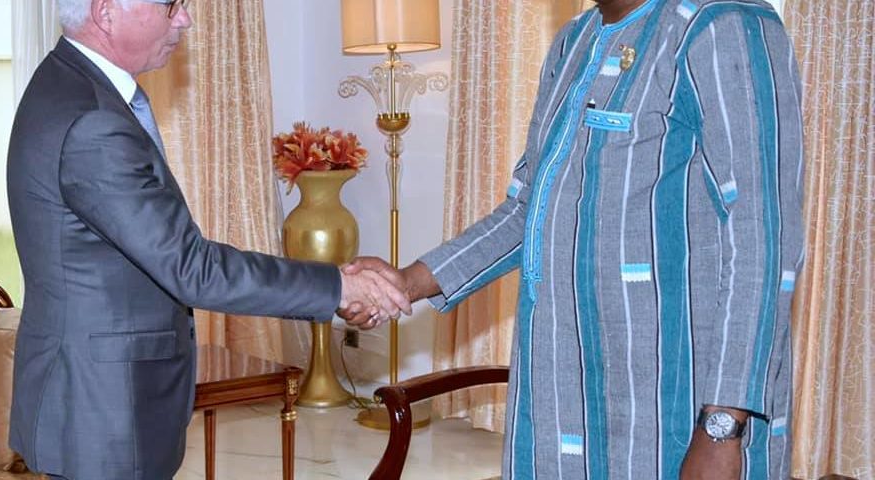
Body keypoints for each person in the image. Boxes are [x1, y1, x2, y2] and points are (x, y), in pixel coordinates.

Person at [342, 0, 804, 478]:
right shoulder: (574, 41)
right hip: (563, 392)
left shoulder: (722, 27)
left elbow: (762, 244)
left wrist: (722, 428)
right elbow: (529, 209)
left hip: (676, 407)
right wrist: (408, 281)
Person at [6, 0, 408, 478]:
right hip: (102, 410)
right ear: (106, 11)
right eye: (171, 4)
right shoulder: (92, 120)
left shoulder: (66, 84)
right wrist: (337, 287)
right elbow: (191, 269)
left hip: (90, 398)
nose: (185, 19)